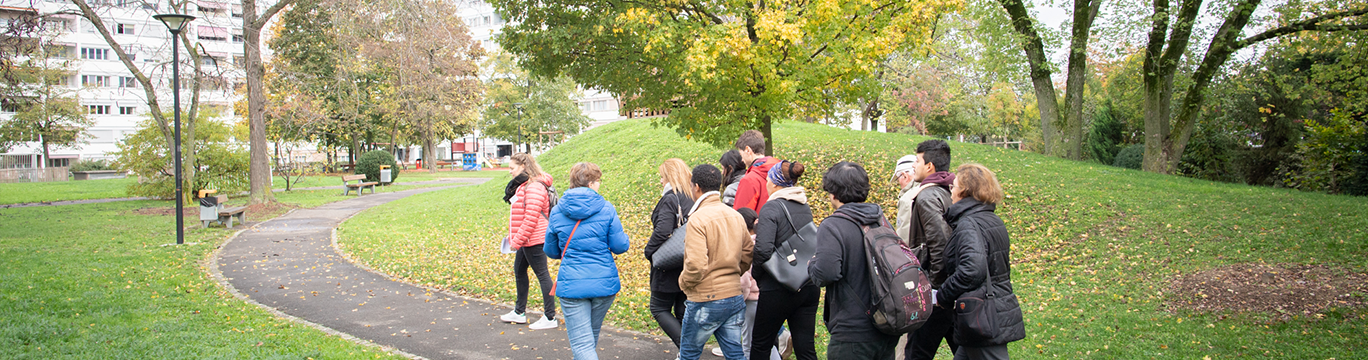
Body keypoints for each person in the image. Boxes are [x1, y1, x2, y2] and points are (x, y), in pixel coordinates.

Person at [808, 161, 900, 360]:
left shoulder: (834, 225)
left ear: (833, 193)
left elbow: (827, 272)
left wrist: (812, 265)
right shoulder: (881, 220)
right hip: (885, 321)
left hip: (853, 329)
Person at [543, 162, 632, 360]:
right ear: (591, 183)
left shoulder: (557, 211)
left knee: (583, 343)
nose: (599, 184)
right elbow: (620, 246)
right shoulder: (607, 209)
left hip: (572, 284)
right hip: (603, 282)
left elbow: (550, 250)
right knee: (587, 341)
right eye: (598, 181)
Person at [937, 164, 1025, 360]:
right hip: (989, 309)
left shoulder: (969, 223)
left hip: (981, 314)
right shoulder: (992, 219)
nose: (951, 192)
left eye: (953, 186)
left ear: (964, 191)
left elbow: (971, 270)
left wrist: (944, 294)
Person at [678, 164, 753, 360]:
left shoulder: (697, 219)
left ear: (696, 187)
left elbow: (695, 264)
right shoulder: (735, 215)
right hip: (733, 296)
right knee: (736, 354)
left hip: (705, 298)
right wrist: (735, 273)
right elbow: (748, 252)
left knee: (688, 354)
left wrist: (684, 283)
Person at [895, 140, 957, 360]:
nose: (915, 167)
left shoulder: (928, 196)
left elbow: (940, 243)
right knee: (964, 349)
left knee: (916, 352)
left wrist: (936, 291)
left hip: (936, 290)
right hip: (954, 286)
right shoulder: (951, 190)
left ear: (929, 166)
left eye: (918, 161)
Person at [750, 160, 818, 360]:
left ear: (775, 183)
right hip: (807, 283)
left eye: (768, 179)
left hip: (779, 287)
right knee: (805, 348)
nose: (766, 182)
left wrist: (757, 276)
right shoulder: (803, 205)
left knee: (761, 345)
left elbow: (762, 249)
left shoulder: (771, 208)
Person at [501, 153, 559, 330]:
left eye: (512, 168)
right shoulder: (524, 185)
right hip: (526, 239)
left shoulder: (533, 187)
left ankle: (550, 317)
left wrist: (516, 241)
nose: (510, 172)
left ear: (524, 167)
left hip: (534, 239)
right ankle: (519, 312)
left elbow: (531, 219)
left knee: (543, 275)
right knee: (519, 271)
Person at [644, 158, 694, 348]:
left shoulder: (670, 198)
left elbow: (663, 230)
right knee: (682, 308)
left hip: (668, 264)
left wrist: (649, 251)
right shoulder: (692, 198)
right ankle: (687, 351)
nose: (661, 181)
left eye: (663, 177)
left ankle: (687, 349)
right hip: (688, 260)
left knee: (659, 307)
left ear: (670, 177)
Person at [732, 130, 780, 212]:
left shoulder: (749, 180)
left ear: (748, 150)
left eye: (741, 155)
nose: (742, 160)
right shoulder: (782, 172)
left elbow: (741, 216)